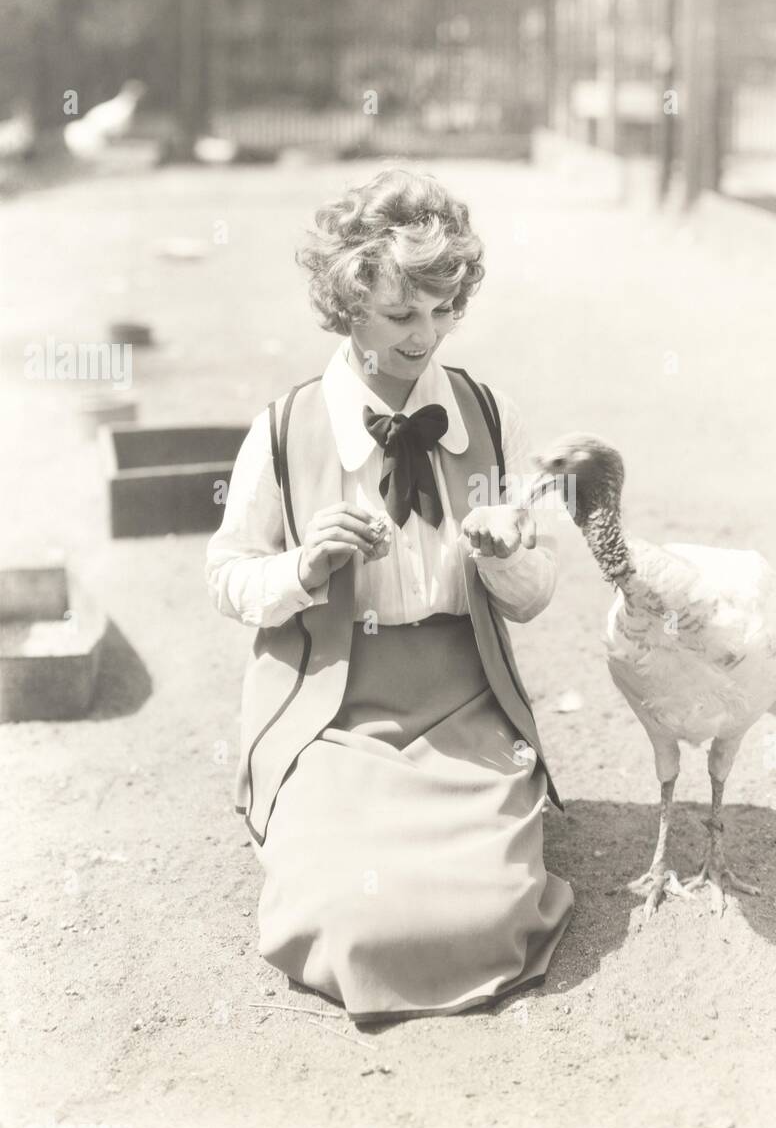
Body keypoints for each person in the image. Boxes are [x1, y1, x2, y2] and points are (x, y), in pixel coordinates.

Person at [205, 168, 573, 1022]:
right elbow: (227, 577)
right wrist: (305, 566)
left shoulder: (489, 412)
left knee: (488, 909)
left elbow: (536, 596)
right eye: (403, 315)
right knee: (355, 916)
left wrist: (502, 555)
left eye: (445, 311)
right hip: (334, 703)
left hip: (464, 699)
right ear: (347, 303)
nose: (428, 335)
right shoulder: (284, 426)